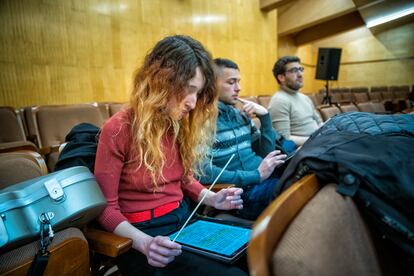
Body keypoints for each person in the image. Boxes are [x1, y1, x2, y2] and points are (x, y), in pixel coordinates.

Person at [94, 36, 246, 276]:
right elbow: (105, 209)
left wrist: (213, 199)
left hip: (184, 220)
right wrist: (144, 243)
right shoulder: (118, 129)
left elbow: (184, 180)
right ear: (162, 81)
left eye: (198, 93)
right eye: (189, 90)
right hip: (142, 236)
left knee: (254, 250)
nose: (193, 103)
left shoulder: (176, 124)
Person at [198, 58, 287, 220]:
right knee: (293, 189)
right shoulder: (200, 122)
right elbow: (203, 172)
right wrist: (255, 175)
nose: (238, 88)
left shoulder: (240, 115)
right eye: (232, 82)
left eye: (238, 82)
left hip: (264, 179)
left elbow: (264, 153)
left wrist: (265, 118)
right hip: (242, 192)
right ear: (211, 85)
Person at [268, 56, 323, 146]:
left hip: (320, 143)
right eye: (294, 70)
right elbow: (284, 139)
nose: (300, 74)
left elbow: (319, 123)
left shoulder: (305, 97)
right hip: (305, 150)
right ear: (281, 77)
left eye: (301, 69)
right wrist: (316, 140)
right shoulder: (279, 101)